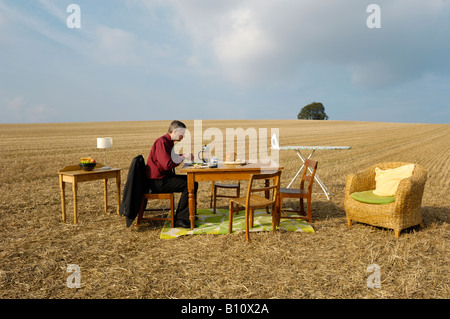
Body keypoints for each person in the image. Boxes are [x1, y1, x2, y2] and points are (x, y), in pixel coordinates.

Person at [146, 120, 197, 228]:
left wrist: (183, 155)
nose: (183, 136)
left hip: (163, 178)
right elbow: (167, 164)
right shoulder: (162, 142)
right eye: (182, 134)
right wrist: (183, 157)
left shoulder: (167, 142)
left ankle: (189, 214)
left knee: (192, 183)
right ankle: (181, 219)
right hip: (158, 182)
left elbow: (171, 159)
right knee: (189, 184)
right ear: (174, 131)